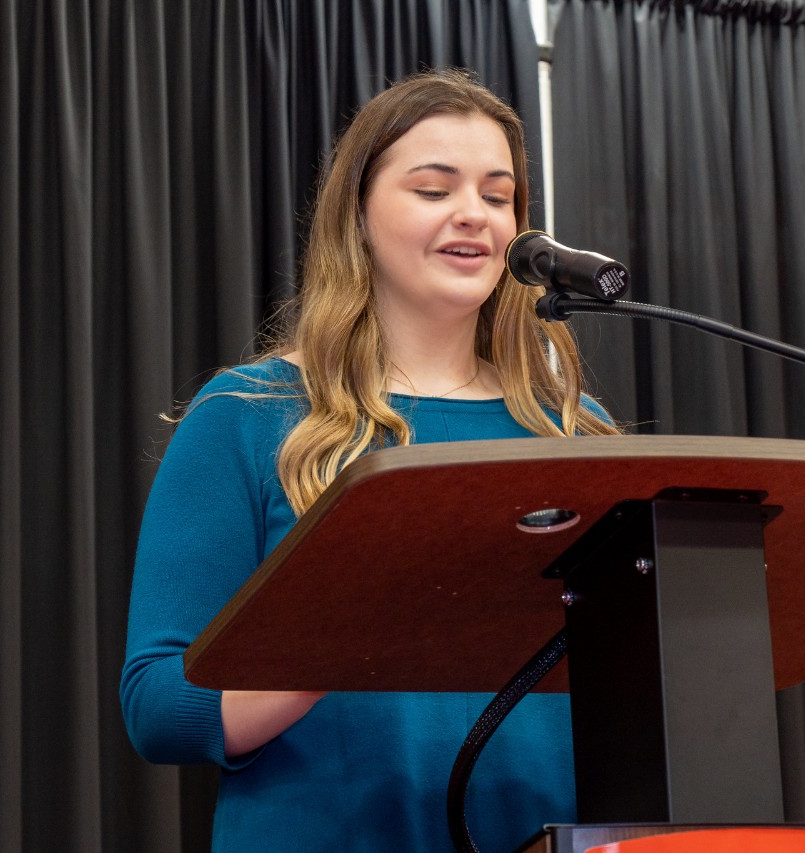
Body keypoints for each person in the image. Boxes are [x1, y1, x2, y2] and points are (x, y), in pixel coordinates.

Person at [120, 68, 620, 851]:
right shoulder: (249, 415)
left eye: (498, 197)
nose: (474, 214)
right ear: (357, 214)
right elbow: (158, 704)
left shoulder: (578, 432)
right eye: (433, 189)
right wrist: (353, 639)